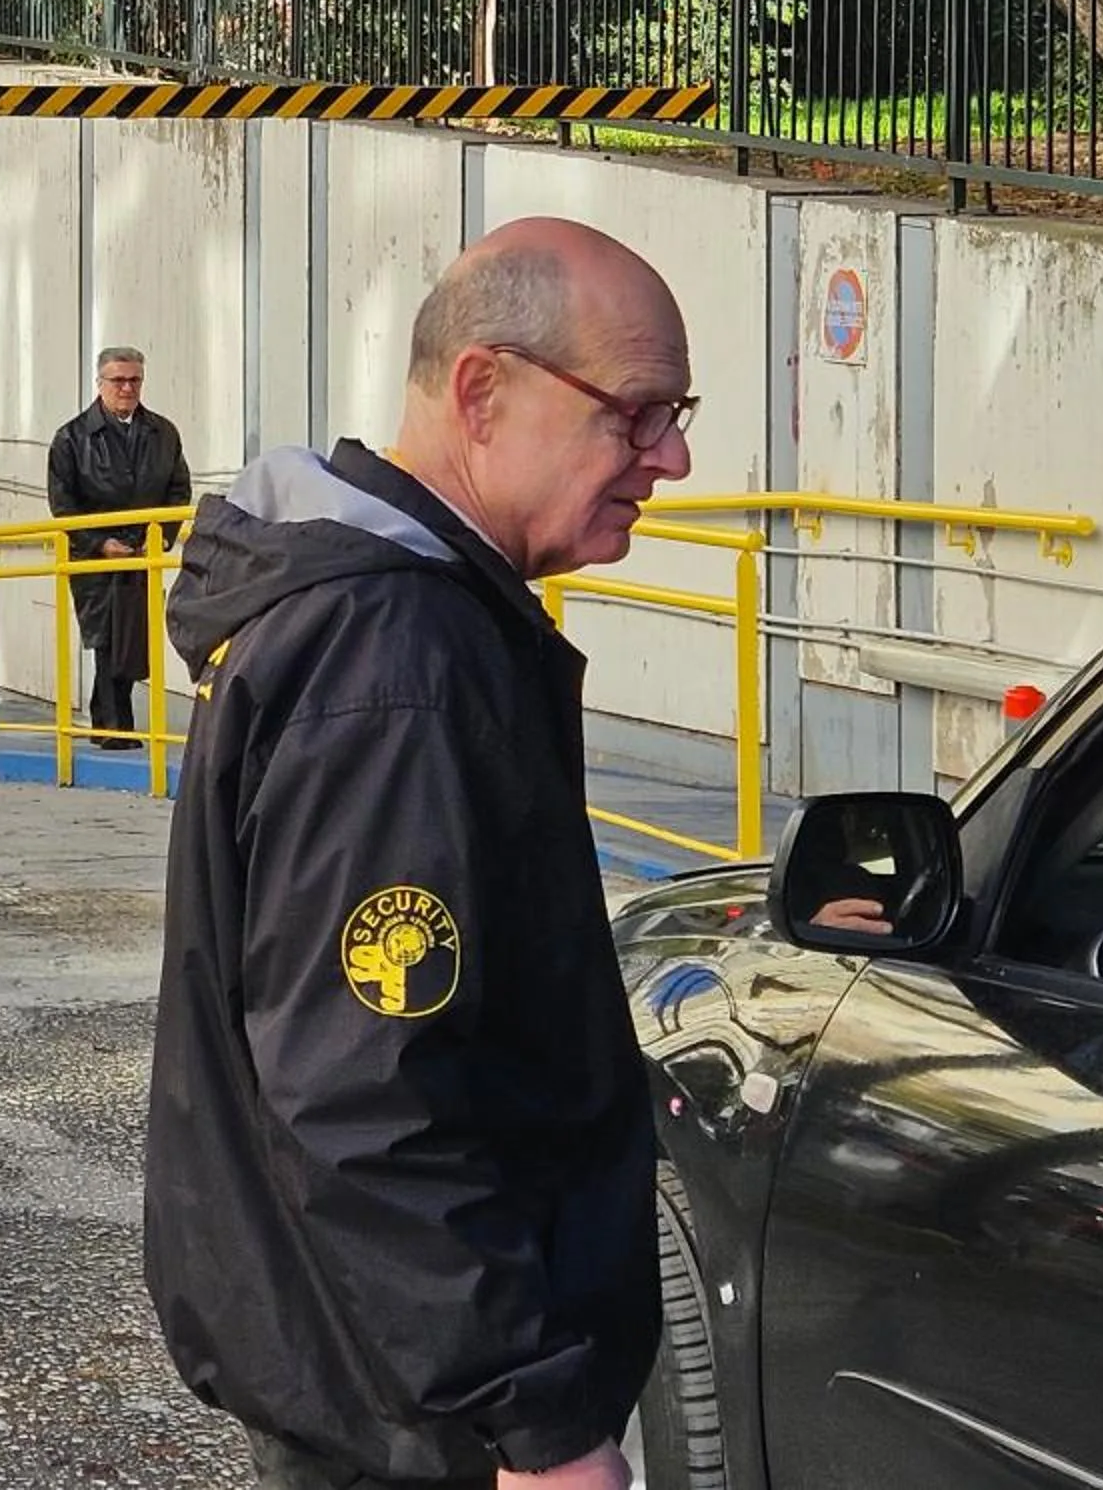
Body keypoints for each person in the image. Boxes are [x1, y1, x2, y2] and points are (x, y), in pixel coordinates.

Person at [147, 218, 696, 1490]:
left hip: (376, 1378)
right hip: (415, 1420)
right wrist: (535, 1420)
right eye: (638, 412)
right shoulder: (397, 666)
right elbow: (366, 1092)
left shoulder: (394, 626)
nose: (669, 457)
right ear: (482, 390)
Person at [45, 346, 191, 745]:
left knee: (132, 638)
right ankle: (112, 728)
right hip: (94, 558)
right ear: (100, 383)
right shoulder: (72, 438)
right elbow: (63, 503)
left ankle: (111, 724)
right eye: (118, 380)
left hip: (142, 553)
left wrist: (158, 537)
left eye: (134, 380)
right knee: (106, 639)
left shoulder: (162, 433)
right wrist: (98, 542)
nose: (127, 388)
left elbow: (178, 489)